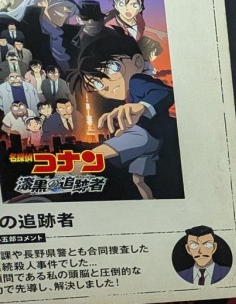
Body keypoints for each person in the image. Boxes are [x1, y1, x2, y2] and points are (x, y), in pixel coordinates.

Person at [72, 33, 174, 199]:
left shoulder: (137, 80)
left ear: (138, 62)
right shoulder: (125, 95)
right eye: (96, 83)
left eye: (112, 69)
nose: (105, 85)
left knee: (91, 158)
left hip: (147, 133)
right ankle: (151, 202)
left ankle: (75, 168)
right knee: (139, 179)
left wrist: (142, 107)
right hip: (150, 139)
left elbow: (163, 92)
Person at [0, 0, 79, 74]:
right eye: (61, 3)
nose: (67, 10)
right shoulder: (10, 26)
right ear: (41, 1)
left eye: (69, 6)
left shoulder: (67, 36)